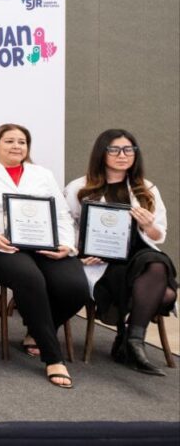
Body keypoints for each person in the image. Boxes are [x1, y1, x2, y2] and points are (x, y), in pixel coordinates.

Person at [0, 123, 87, 389]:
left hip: (44, 244)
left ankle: (37, 331)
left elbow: (61, 213)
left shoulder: (42, 174)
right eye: (9, 141)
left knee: (75, 287)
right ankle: (53, 357)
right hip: (0, 247)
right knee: (30, 279)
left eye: (21, 141)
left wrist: (66, 245)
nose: (16, 146)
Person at [64, 129, 175, 376]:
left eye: (128, 150)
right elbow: (65, 227)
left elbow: (159, 235)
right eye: (114, 150)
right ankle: (128, 341)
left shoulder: (146, 189)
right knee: (165, 293)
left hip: (139, 254)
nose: (122, 155)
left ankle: (132, 342)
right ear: (101, 154)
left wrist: (148, 225)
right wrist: (80, 253)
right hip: (104, 261)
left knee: (156, 262)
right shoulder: (79, 187)